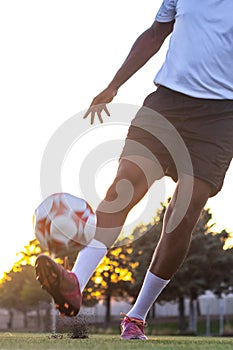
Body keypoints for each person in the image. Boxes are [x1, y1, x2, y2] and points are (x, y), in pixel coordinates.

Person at [36, 0, 233, 340]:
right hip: (167, 103)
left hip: (220, 117)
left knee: (182, 215)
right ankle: (74, 285)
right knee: (122, 186)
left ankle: (136, 317)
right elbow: (156, 32)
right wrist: (114, 84)